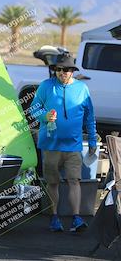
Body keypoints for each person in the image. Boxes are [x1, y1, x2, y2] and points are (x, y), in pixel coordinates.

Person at [30, 54, 97, 232]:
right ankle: (54, 217)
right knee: (53, 183)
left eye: (66, 70)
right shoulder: (46, 86)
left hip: (73, 146)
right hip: (50, 146)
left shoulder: (82, 89)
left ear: (72, 71)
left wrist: (91, 140)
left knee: (74, 180)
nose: (62, 73)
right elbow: (33, 108)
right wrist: (45, 116)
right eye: (58, 70)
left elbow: (90, 117)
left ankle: (76, 218)